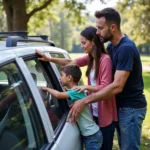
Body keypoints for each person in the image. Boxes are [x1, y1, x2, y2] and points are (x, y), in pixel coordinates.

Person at [66, 8, 147, 150]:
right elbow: (84, 60)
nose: (97, 32)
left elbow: (117, 86)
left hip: (131, 109)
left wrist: (84, 100)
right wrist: (49, 59)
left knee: (129, 148)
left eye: (100, 28)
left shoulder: (126, 48)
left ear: (113, 27)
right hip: (121, 107)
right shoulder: (112, 46)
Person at [36, 26, 117, 150]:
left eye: (84, 42)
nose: (82, 45)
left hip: (104, 112)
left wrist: (86, 87)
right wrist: (49, 59)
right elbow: (70, 62)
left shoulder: (105, 60)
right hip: (93, 112)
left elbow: (106, 87)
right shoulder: (90, 58)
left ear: (93, 42)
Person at [42, 65, 102, 150]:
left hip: (92, 136)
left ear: (69, 77)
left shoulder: (75, 91)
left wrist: (47, 89)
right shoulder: (76, 91)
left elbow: (58, 95)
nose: (60, 78)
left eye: (62, 75)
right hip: (91, 134)